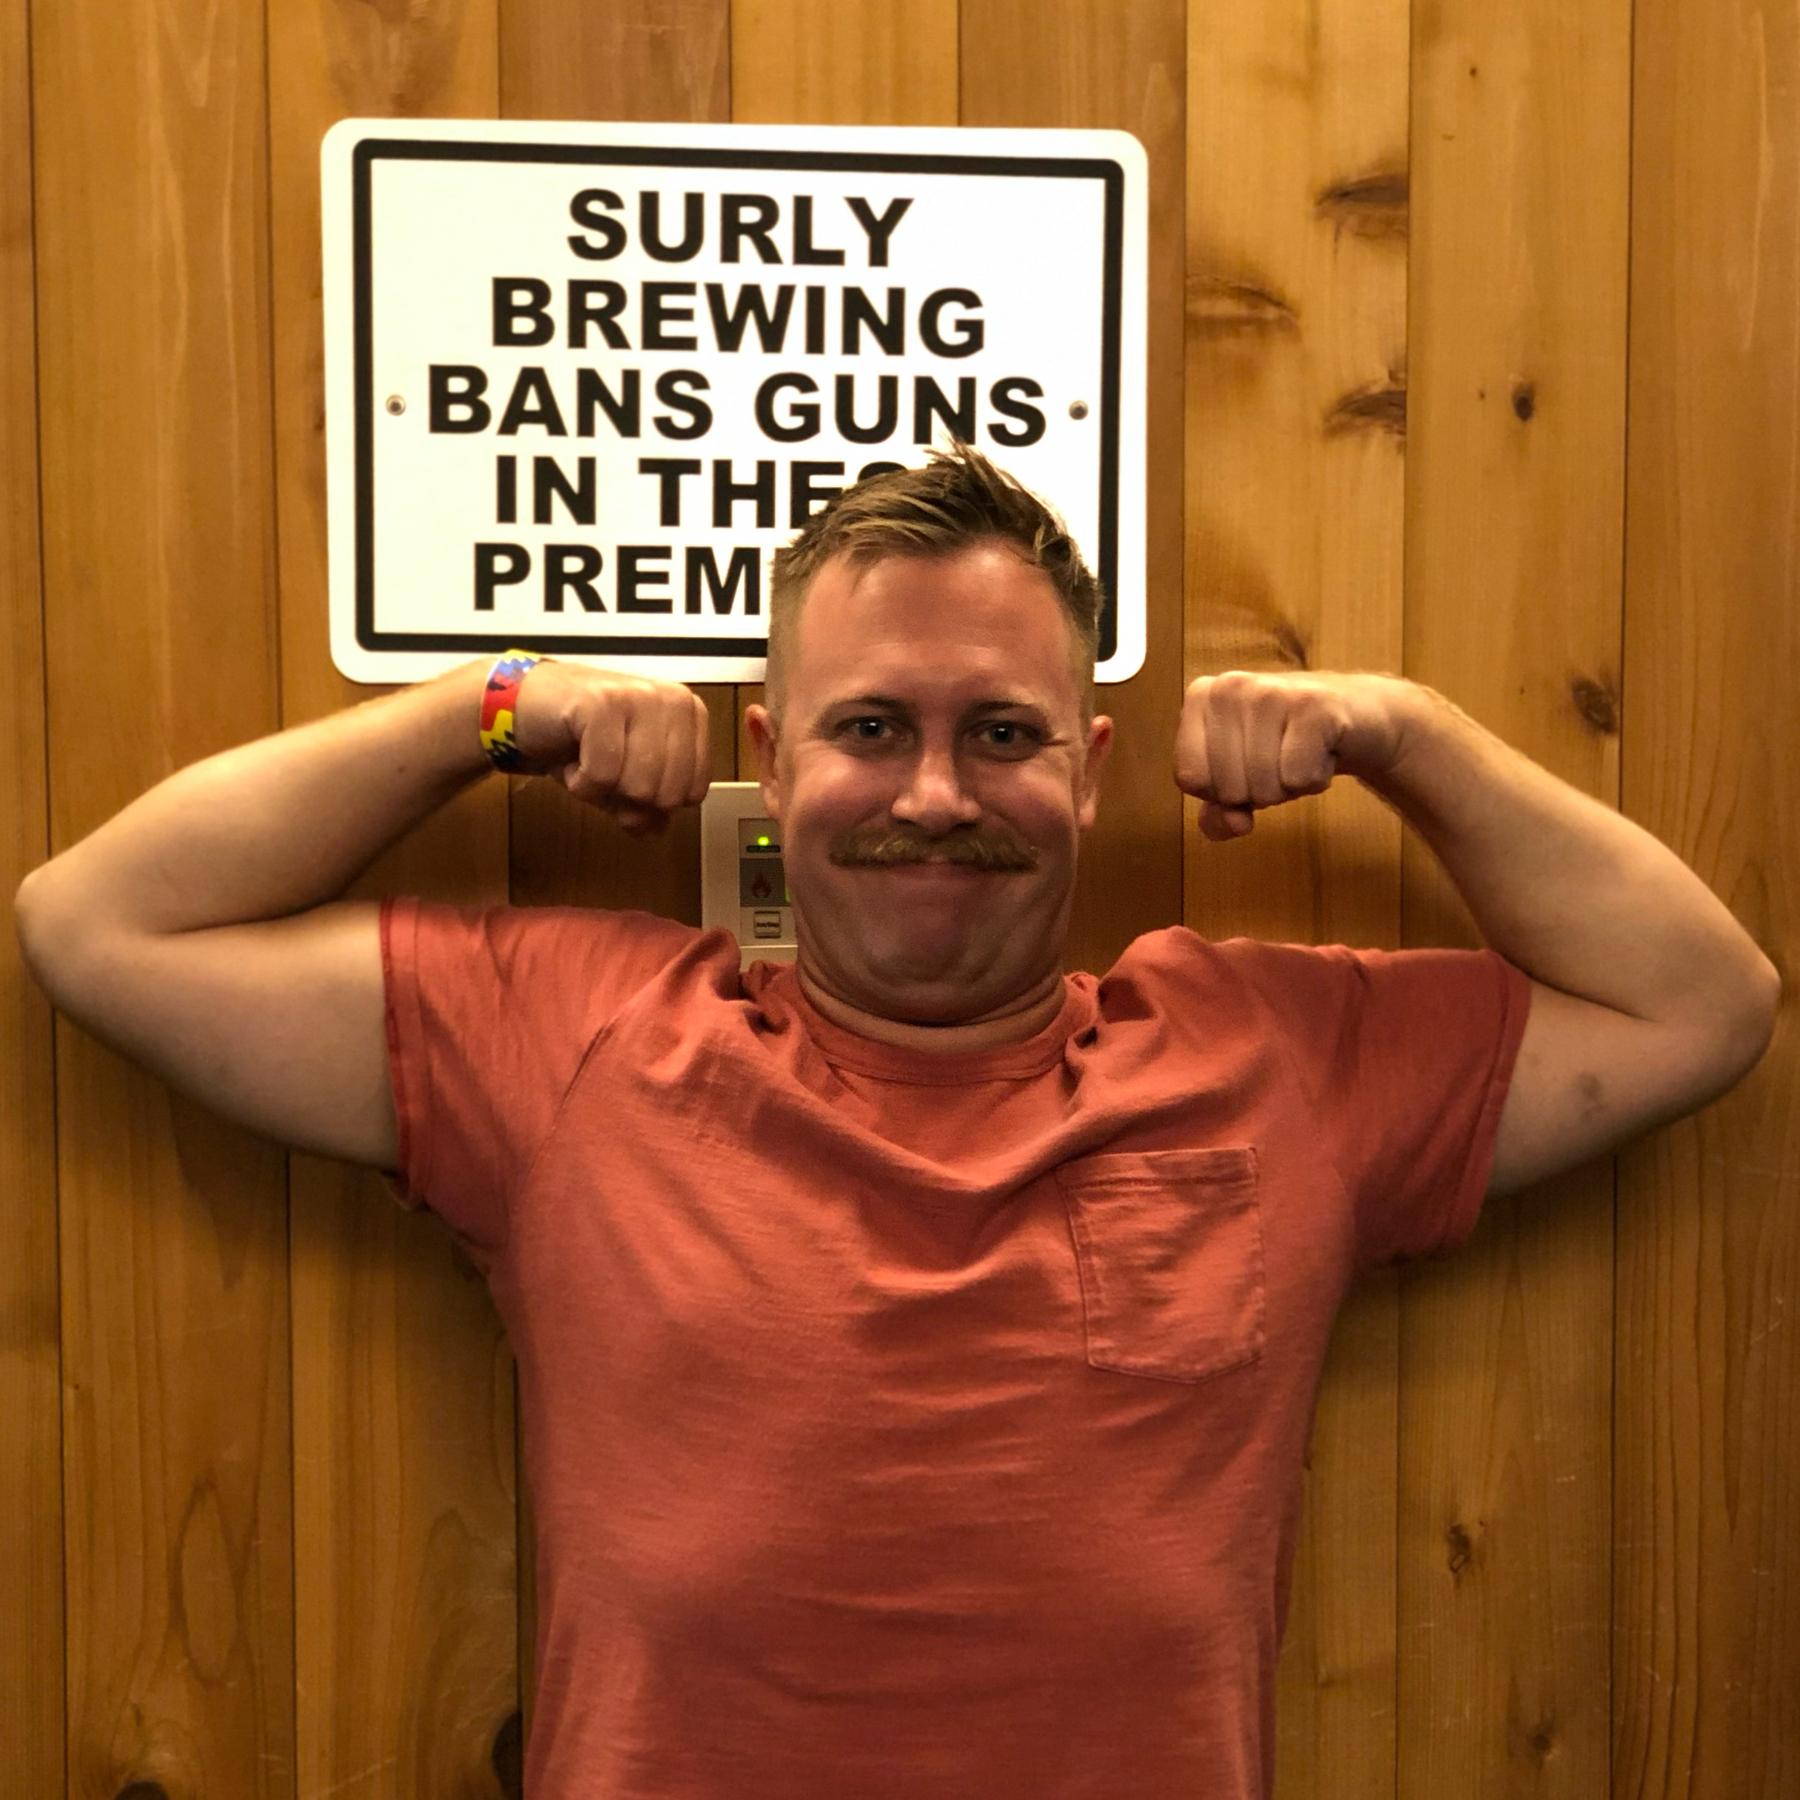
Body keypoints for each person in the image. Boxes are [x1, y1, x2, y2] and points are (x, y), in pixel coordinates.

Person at [13, 441, 1779, 1800]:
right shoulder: (579, 1043)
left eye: (1000, 732)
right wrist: (497, 708)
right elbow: (99, 926)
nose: (935, 794)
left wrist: (1407, 734)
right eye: (870, 727)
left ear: (1088, 769)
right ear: (772, 761)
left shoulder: (1272, 1059)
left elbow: (1703, 1001)